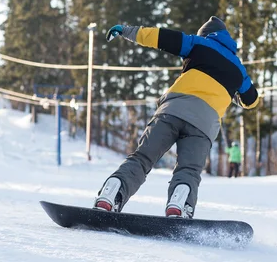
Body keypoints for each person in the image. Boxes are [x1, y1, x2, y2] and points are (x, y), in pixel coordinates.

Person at [94, 17, 260, 218]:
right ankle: (179, 205)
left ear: (205, 34)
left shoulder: (197, 43)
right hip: (204, 124)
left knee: (141, 158)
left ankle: (110, 195)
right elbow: (251, 100)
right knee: (188, 170)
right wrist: (232, 92)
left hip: (171, 111)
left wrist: (127, 31)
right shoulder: (238, 68)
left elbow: (160, 37)